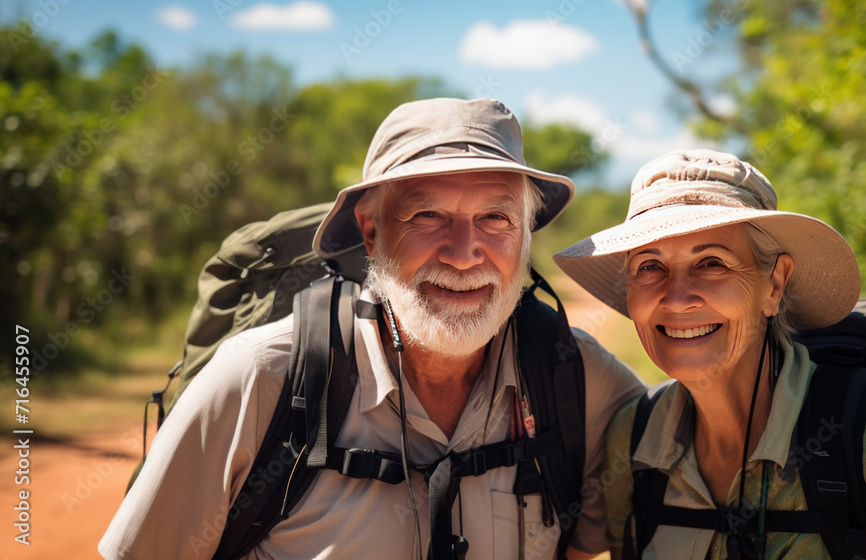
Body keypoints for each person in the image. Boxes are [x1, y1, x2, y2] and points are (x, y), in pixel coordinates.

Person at [99, 98, 646, 560]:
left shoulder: (573, 376)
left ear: (526, 232)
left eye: (495, 218)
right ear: (370, 232)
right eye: (427, 216)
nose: (463, 253)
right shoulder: (259, 380)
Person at [553, 149, 866, 559]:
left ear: (774, 285)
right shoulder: (631, 440)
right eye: (649, 266)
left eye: (712, 263)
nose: (677, 298)